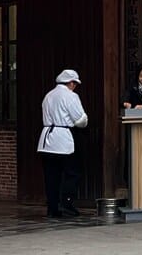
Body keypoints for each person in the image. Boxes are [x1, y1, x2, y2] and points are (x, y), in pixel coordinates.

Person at [38, 68, 88, 218]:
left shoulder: (48, 96)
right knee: (72, 172)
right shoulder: (70, 96)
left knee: (51, 175)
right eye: (75, 83)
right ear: (71, 83)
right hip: (64, 138)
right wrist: (84, 120)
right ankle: (67, 203)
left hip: (46, 139)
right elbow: (80, 119)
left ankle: (52, 207)